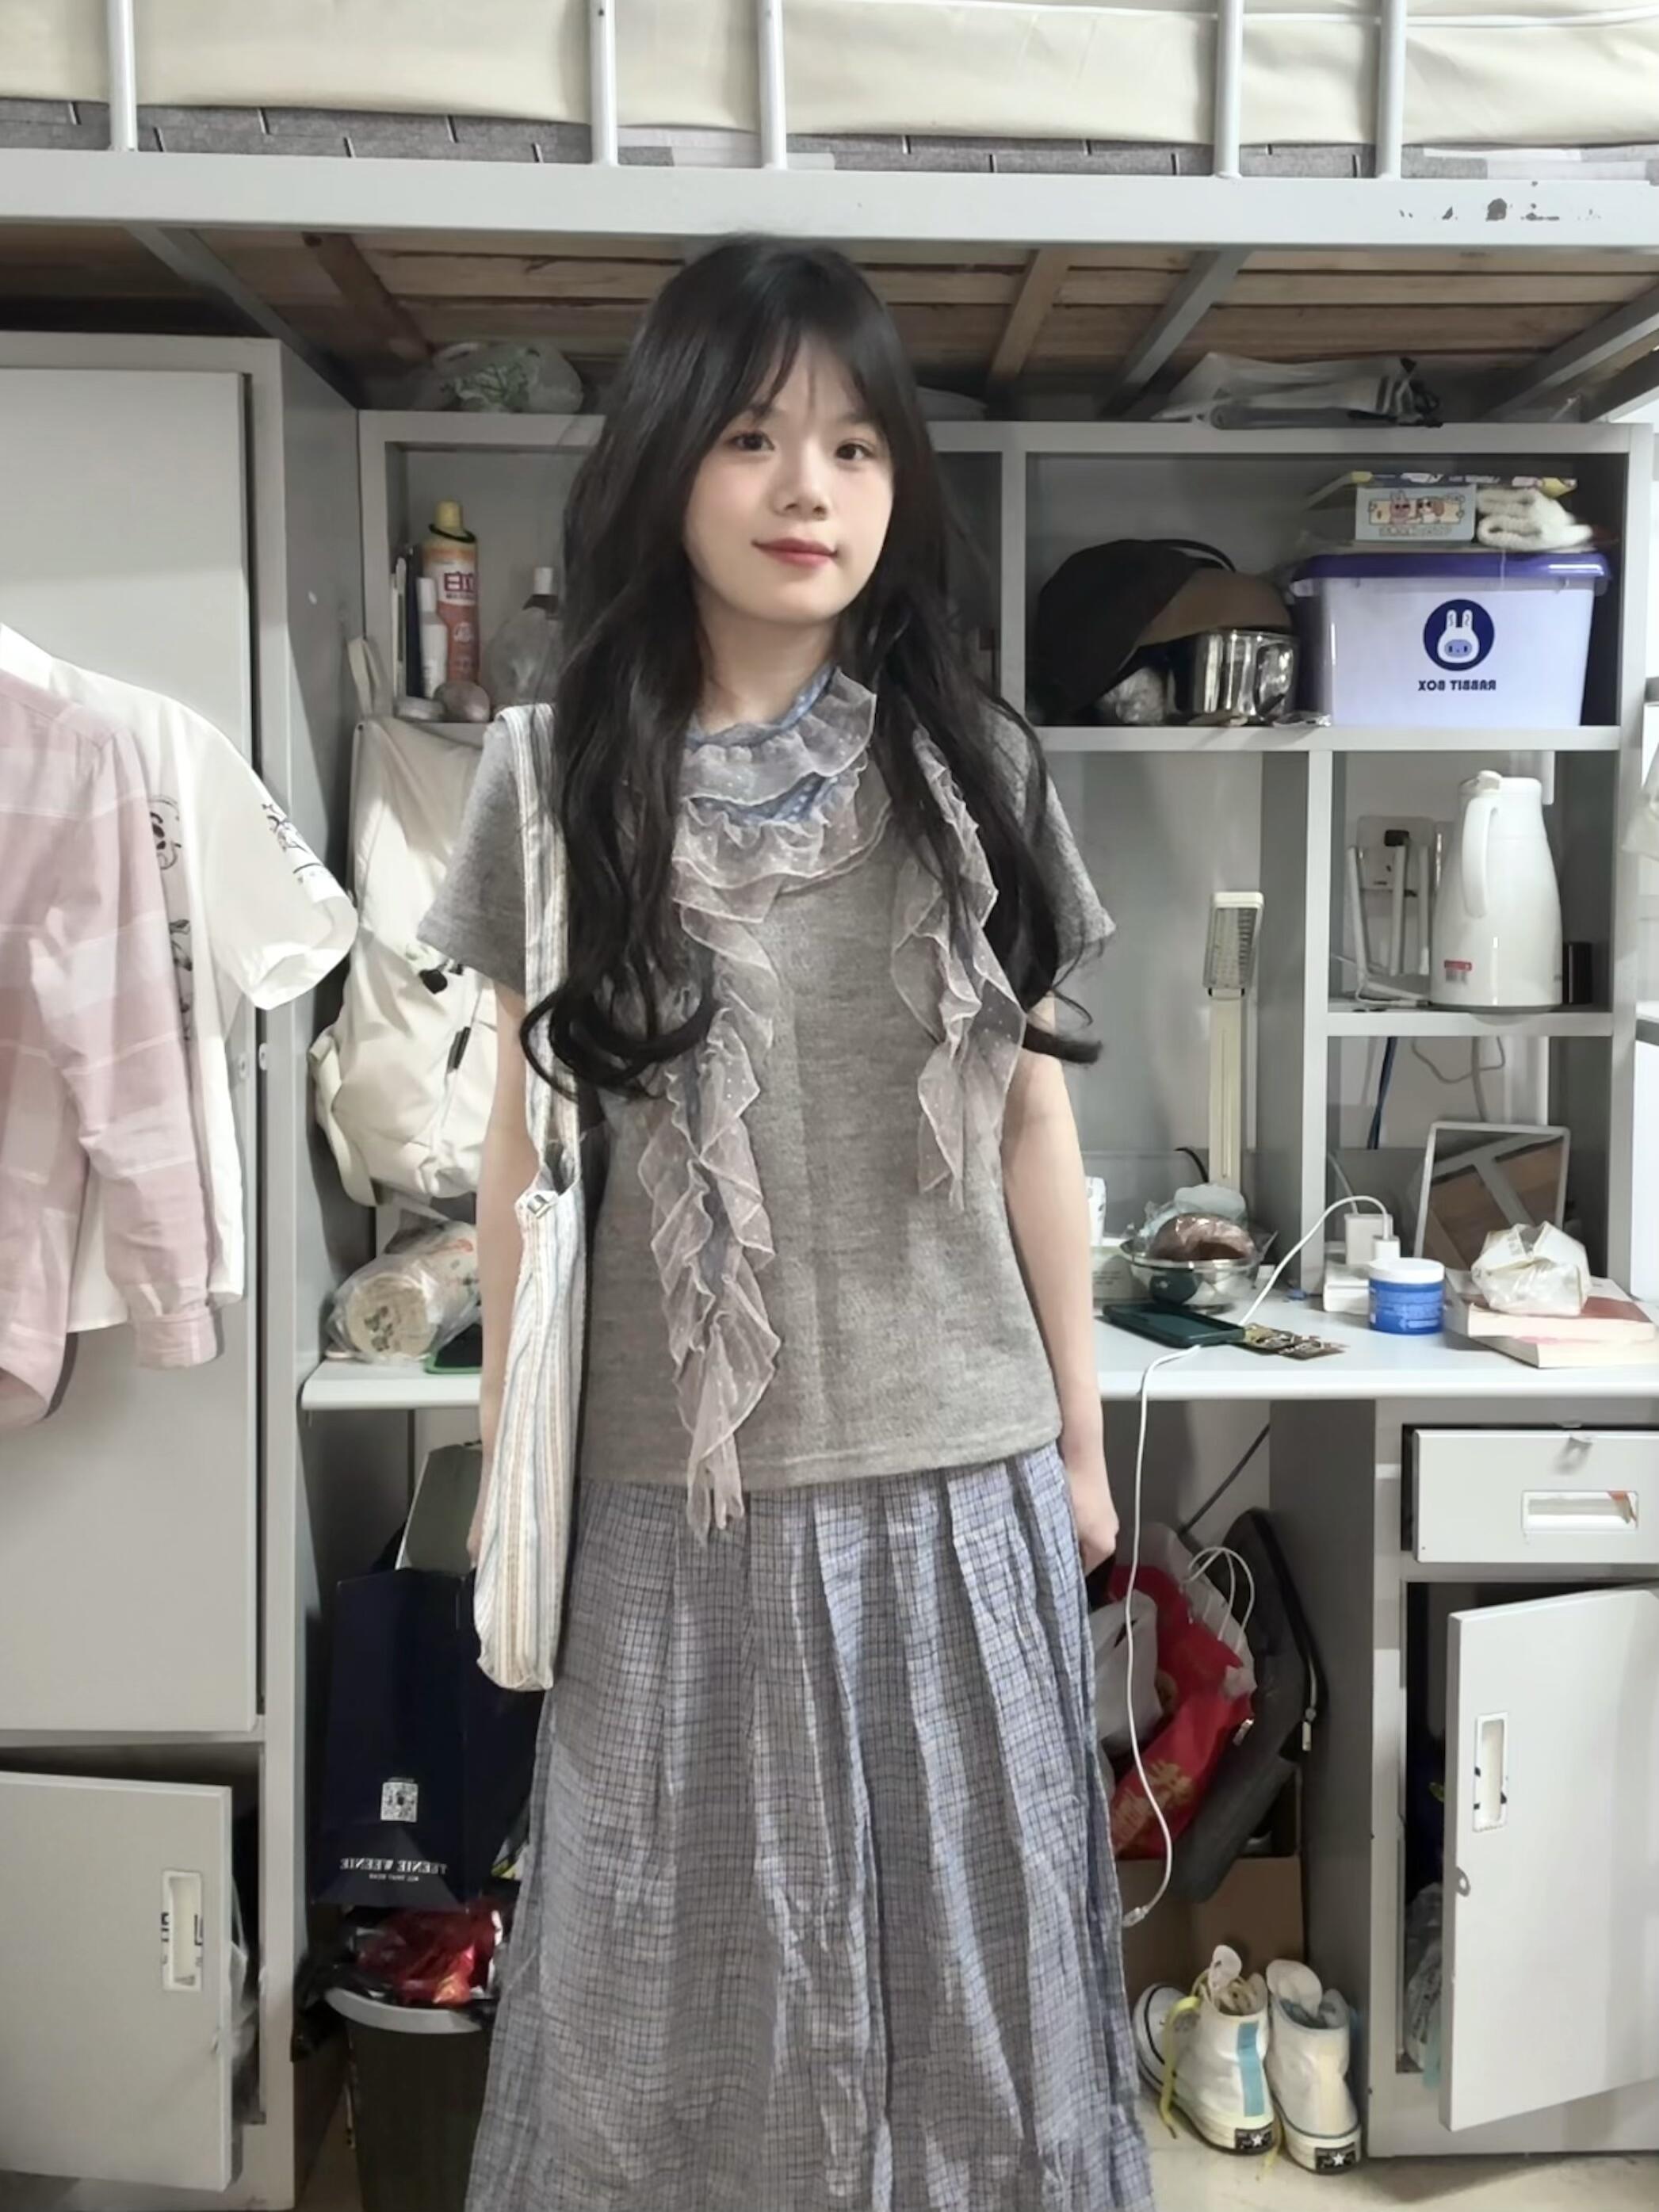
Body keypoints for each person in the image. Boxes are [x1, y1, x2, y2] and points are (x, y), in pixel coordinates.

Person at [422, 235, 1153, 2212]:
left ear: (899, 480)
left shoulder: (977, 764)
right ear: (669, 459)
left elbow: (1034, 1124)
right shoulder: (552, 776)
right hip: (677, 1506)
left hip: (958, 1483)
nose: (805, 488)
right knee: (664, 2019)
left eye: (851, 444)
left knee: (981, 2025)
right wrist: (507, 1464)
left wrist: (1084, 1444)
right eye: (751, 437)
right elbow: (521, 1151)